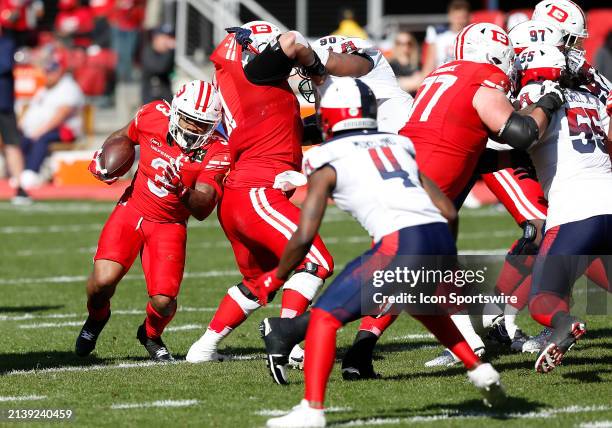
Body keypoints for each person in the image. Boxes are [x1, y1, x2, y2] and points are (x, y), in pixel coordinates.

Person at [263, 78, 506, 428]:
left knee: (324, 318)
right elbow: (449, 211)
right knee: (421, 304)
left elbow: (304, 235)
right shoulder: (399, 144)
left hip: (401, 242)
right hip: (437, 235)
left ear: (327, 117)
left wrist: (277, 276)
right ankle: (481, 371)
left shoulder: (322, 158)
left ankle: (311, 410)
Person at [398, 22, 565, 364]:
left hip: (465, 149)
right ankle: (473, 329)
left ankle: (491, 321)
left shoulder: (450, 71)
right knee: (427, 249)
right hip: (484, 148)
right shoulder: (488, 75)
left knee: (426, 247)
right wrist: (548, 99)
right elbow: (520, 129)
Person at [185, 22, 335, 363]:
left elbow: (280, 128)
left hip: (241, 196)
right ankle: (287, 339)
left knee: (260, 279)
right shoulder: (257, 71)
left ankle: (204, 347)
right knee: (316, 262)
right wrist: (317, 67)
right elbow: (292, 41)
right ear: (255, 50)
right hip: (258, 192)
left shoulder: (237, 78)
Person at [74, 80, 230, 361]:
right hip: (131, 210)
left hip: (169, 224)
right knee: (101, 283)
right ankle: (97, 318)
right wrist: (106, 160)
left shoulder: (218, 150)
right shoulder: (153, 115)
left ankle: (150, 333)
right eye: (189, 120)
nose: (193, 129)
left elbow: (204, 207)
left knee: (164, 301)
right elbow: (123, 136)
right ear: (175, 111)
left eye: (202, 125)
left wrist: (181, 190)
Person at [512, 45, 612, 373]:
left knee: (542, 300)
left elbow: (521, 135)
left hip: (573, 211)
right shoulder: (593, 97)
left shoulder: (537, 93)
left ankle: (565, 324)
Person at [18, 46, 84, 188]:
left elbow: (61, 115)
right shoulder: (44, 89)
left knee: (42, 139)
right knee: (18, 138)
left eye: (51, 71)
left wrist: (39, 131)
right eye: (46, 71)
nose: (47, 74)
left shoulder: (69, 87)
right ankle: (19, 173)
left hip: (63, 130)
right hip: (37, 130)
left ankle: (31, 173)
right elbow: (31, 111)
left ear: (59, 71)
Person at [0, 26, 28, 203]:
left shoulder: (6, 43)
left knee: (11, 144)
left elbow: (4, 65)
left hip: (3, 104)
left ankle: (20, 186)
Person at [421, 0, 470, 77]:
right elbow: (430, 64)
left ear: (468, 18)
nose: (459, 21)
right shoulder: (437, 34)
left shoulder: (472, 36)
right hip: (440, 77)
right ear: (450, 16)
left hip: (463, 77)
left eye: (462, 17)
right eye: (456, 17)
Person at [141, 24, 175, 104]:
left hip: (167, 98)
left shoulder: (171, 53)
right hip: (151, 100)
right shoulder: (148, 51)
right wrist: (170, 51)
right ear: (156, 38)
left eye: (170, 38)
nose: (168, 41)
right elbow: (160, 68)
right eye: (164, 38)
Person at [388, 30, 423, 95]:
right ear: (396, 45)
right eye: (400, 43)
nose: (405, 46)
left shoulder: (418, 64)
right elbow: (393, 85)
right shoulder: (390, 65)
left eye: (408, 43)